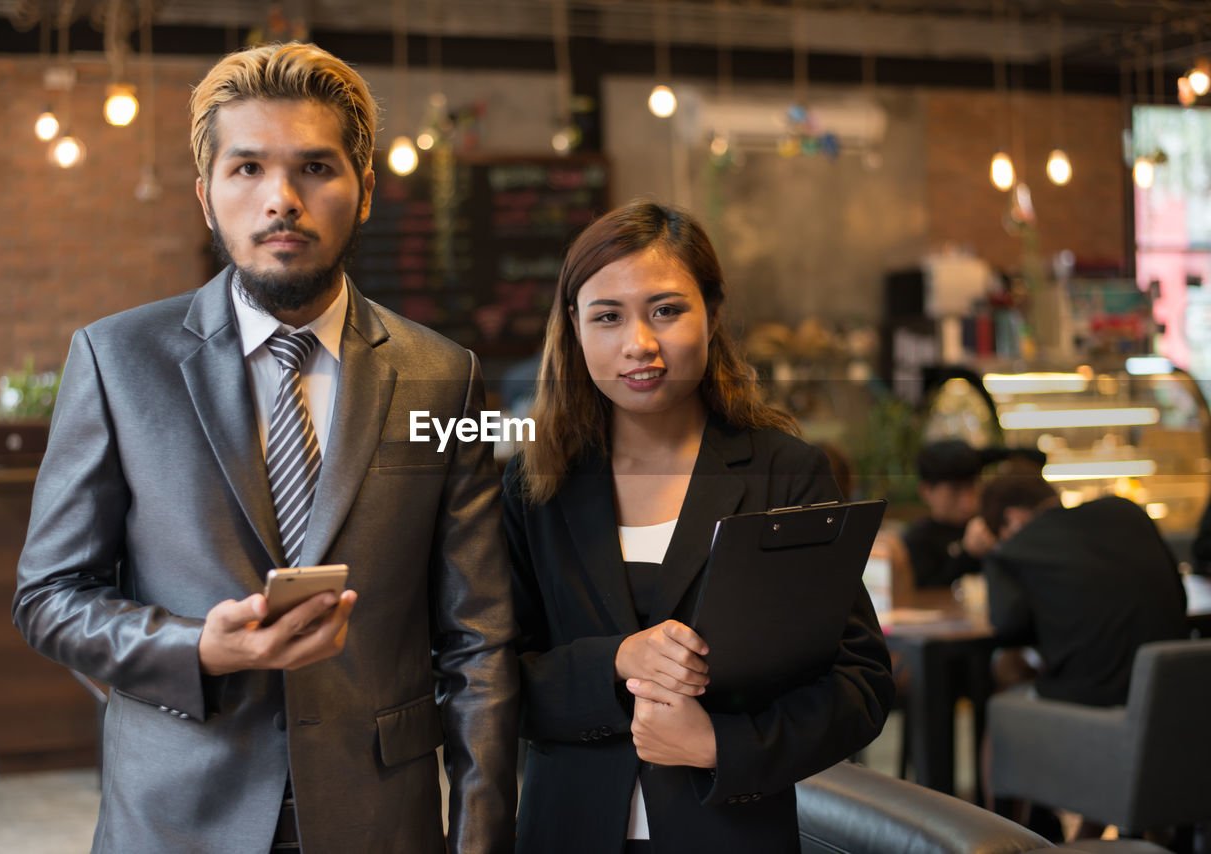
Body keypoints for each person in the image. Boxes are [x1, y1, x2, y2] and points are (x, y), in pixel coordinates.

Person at [13, 43, 517, 854]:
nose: (281, 199)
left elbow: (479, 638)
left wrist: (482, 836)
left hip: (379, 817)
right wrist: (195, 649)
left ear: (365, 193)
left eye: (315, 167)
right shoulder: (117, 362)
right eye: (246, 168)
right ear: (207, 198)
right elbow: (48, 597)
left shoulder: (444, 377)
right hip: (177, 813)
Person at [501, 201, 894, 854]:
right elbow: (490, 682)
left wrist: (720, 745)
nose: (640, 344)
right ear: (573, 327)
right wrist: (618, 662)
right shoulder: (532, 486)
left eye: (666, 310)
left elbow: (858, 684)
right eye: (608, 316)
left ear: (712, 311)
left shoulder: (783, 473)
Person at [980, 474, 1188, 706]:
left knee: (1004, 680)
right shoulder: (1127, 511)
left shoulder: (1013, 549)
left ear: (1012, 519)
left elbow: (1007, 628)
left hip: (1094, 701)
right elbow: (1181, 598)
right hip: (1176, 692)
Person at [902, 438, 994, 589]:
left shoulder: (989, 526)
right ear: (926, 490)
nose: (967, 502)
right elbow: (925, 595)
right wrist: (967, 554)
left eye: (971, 488)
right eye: (954, 492)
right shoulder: (918, 540)